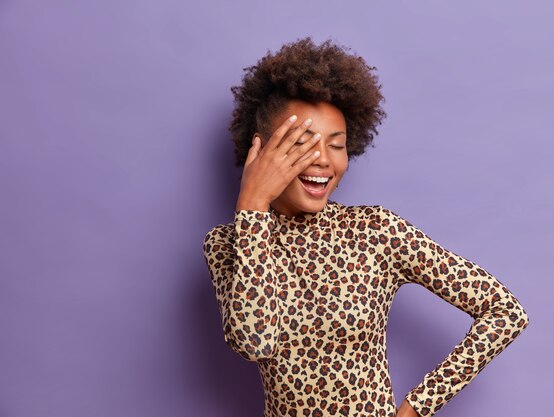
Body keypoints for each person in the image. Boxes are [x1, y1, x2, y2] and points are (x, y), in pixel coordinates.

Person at [203, 37, 530, 417]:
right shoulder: (228, 243)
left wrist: (416, 408)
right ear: (262, 151)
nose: (323, 160)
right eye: (303, 142)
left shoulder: (375, 231)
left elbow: (505, 312)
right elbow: (253, 342)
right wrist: (253, 204)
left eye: (336, 144)